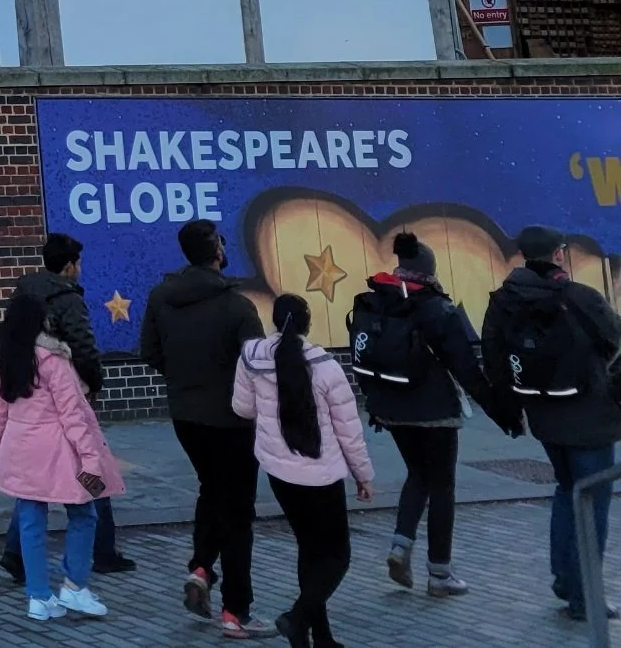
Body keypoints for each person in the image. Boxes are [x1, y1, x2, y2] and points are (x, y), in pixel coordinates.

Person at [347, 228, 511, 596]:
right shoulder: (437, 308)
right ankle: (440, 573)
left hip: (391, 410)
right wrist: (502, 414)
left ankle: (400, 546)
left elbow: (363, 359)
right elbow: (466, 369)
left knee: (418, 474)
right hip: (434, 412)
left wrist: (376, 406)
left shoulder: (376, 301)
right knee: (442, 484)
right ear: (430, 270)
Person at [138, 218, 271, 639]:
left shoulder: (161, 297)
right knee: (238, 513)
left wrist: (183, 379)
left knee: (212, 490)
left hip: (186, 416)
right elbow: (259, 367)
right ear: (216, 250)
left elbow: (149, 351)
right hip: (232, 421)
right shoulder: (237, 306)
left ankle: (200, 569)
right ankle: (236, 611)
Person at [483, 224, 621, 624]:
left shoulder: (503, 301)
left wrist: (512, 411)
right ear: (559, 254)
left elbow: (494, 360)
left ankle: (565, 579)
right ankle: (584, 596)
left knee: (566, 491)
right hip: (591, 416)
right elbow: (613, 340)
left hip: (543, 415)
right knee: (592, 503)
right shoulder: (580, 297)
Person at [233, 294, 375, 648]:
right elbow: (348, 429)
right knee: (337, 556)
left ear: (274, 320)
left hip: (279, 472)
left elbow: (243, 409)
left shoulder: (251, 357)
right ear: (307, 323)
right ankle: (296, 619)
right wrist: (363, 474)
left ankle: (317, 637)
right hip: (321, 476)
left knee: (309, 549)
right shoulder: (326, 366)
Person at [0, 232, 135, 582]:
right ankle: (102, 550)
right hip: (64, 394)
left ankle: (16, 553)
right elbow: (84, 348)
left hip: (26, 400)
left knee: (31, 488)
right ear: (70, 266)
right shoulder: (67, 299)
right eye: (79, 263)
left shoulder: (23, 293)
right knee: (90, 462)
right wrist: (94, 383)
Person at [0, 291, 123, 621]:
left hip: (18, 447)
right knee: (84, 513)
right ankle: (75, 586)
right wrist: (90, 458)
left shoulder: (0, 357)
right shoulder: (53, 358)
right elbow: (72, 414)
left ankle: (38, 597)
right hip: (59, 450)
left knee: (30, 521)